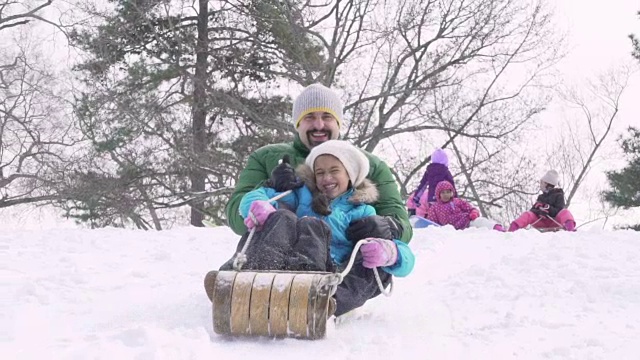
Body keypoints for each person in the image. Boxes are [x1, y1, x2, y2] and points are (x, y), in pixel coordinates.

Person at [218, 140, 415, 317]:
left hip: (332, 278)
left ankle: (317, 300)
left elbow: (406, 258)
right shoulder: (302, 195)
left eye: (334, 170)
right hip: (283, 265)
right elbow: (258, 195)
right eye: (320, 172)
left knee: (320, 229)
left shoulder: (363, 212)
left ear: (350, 174)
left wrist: (391, 252)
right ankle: (250, 279)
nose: (326, 177)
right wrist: (259, 205)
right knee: (282, 217)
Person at [224, 83, 412, 245]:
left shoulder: (370, 165)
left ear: (338, 123)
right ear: (298, 124)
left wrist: (390, 227)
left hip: (346, 266)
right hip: (278, 259)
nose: (319, 125)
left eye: (327, 117)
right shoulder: (266, 157)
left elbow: (402, 224)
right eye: (309, 117)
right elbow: (235, 216)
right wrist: (269, 187)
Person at [508, 170, 577, 232]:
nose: (540, 185)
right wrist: (539, 211)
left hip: (554, 222)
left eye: (541, 183)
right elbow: (532, 212)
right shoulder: (541, 197)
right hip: (541, 222)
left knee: (565, 212)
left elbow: (559, 211)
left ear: (547, 184)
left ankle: (570, 228)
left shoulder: (559, 195)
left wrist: (548, 208)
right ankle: (513, 228)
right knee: (528, 214)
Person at [426, 180, 506, 231]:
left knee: (481, 221)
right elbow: (431, 222)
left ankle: (497, 229)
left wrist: (474, 213)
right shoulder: (435, 207)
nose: (446, 194)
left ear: (451, 193)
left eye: (448, 192)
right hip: (450, 230)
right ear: (438, 194)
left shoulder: (457, 201)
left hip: (466, 222)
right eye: (443, 193)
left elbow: (471, 208)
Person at [406, 148, 456, 218]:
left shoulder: (429, 171)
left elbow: (422, 185)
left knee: (433, 214)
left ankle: (432, 224)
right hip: (444, 198)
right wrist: (455, 199)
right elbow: (451, 186)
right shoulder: (446, 172)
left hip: (431, 199)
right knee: (443, 216)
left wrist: (416, 197)